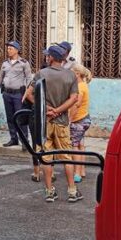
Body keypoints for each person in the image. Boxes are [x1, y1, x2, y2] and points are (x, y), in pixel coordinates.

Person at [25, 45, 80, 203]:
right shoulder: (70, 75)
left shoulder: (41, 74)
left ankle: (49, 191)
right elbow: (74, 98)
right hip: (62, 122)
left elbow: (29, 94)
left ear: (51, 58)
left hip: (44, 122)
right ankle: (72, 191)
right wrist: (59, 110)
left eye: (48, 56)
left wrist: (46, 108)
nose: (46, 58)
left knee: (46, 156)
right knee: (66, 157)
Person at [0, 40, 33, 148]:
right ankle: (13, 138)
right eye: (7, 48)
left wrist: (27, 93)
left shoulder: (24, 63)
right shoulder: (4, 64)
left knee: (20, 118)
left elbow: (29, 79)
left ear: (17, 50)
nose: (8, 50)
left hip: (18, 95)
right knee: (10, 118)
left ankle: (24, 141)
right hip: (7, 94)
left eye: (10, 49)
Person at [69, 64, 92, 184]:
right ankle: (82, 170)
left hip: (78, 120)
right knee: (81, 146)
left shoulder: (79, 87)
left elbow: (76, 105)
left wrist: (70, 120)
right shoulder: (84, 85)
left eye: (71, 72)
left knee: (74, 147)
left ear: (77, 74)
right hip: (85, 119)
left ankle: (76, 173)